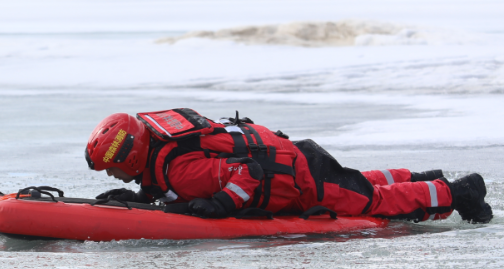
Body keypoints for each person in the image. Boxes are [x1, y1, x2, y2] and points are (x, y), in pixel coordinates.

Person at [84, 108, 492, 223]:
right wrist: (141, 196)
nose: (110, 175)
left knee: (370, 202)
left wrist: (224, 205)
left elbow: (247, 175)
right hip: (290, 157)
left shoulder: (178, 169)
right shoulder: (162, 146)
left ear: (131, 155)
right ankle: (419, 177)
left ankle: (458, 192)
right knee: (357, 183)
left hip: (295, 178)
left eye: (111, 168)